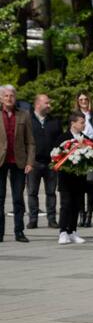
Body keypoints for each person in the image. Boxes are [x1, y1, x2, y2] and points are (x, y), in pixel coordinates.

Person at [0, 85, 34, 243]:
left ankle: (19, 231)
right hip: (1, 161)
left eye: (11, 95)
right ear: (1, 98)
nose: (9, 98)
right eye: (6, 96)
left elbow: (30, 142)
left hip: (18, 161)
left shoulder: (24, 115)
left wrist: (30, 161)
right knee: (0, 198)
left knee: (18, 198)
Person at [54, 112, 90, 245]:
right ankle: (63, 231)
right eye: (81, 122)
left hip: (80, 178)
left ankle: (72, 231)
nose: (84, 124)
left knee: (77, 204)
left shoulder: (85, 139)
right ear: (73, 123)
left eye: (84, 122)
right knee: (66, 204)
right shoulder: (63, 138)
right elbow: (56, 156)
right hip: (66, 178)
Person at [27, 94, 61, 229]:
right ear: (37, 104)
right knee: (32, 192)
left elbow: (60, 141)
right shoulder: (28, 119)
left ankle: (52, 219)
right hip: (33, 162)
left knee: (51, 192)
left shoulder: (55, 121)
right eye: (46, 103)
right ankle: (33, 219)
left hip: (51, 163)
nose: (49, 106)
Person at [76, 92, 93, 228]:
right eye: (81, 99)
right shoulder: (74, 115)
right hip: (78, 153)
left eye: (86, 99)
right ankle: (81, 214)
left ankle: (89, 214)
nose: (83, 101)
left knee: (91, 184)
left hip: (92, 153)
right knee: (79, 186)